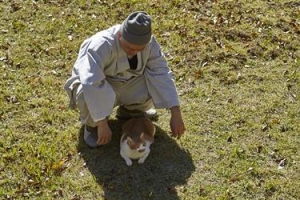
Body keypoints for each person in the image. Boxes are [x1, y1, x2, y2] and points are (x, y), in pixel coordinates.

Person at [64, 11, 185, 147]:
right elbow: (91, 82)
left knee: (152, 82)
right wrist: (102, 123)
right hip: (98, 84)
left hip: (127, 82)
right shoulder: (101, 44)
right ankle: (93, 125)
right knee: (84, 93)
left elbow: (161, 74)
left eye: (139, 49)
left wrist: (176, 113)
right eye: (128, 47)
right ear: (120, 35)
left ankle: (131, 111)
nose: (133, 52)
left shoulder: (150, 44)